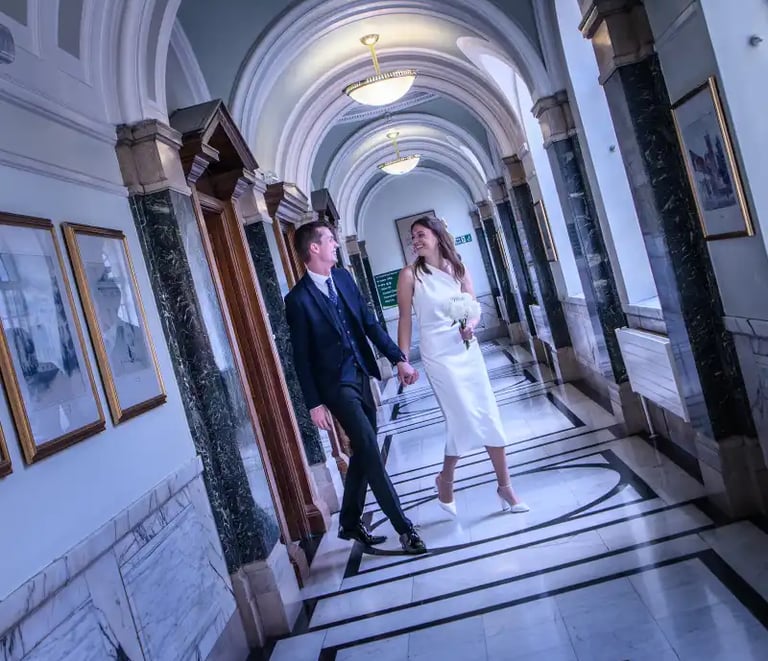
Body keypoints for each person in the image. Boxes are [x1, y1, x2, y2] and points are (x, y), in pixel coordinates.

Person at [285, 220, 427, 554]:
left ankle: (349, 521)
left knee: (364, 449)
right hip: (335, 386)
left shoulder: (344, 279)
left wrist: (398, 359)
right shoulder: (298, 300)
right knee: (369, 449)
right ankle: (405, 529)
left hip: (361, 374)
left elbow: (369, 324)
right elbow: (301, 358)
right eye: (330, 240)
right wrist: (314, 403)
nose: (335, 244)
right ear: (314, 248)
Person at [396, 216, 528, 517]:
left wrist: (471, 325)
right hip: (438, 356)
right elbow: (405, 319)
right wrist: (401, 360)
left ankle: (505, 486)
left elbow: (474, 307)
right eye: (412, 237)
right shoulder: (409, 276)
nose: (415, 241)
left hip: (466, 351)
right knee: (461, 418)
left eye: (420, 234)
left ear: (437, 235)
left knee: (487, 412)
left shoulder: (459, 268)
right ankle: (445, 479)